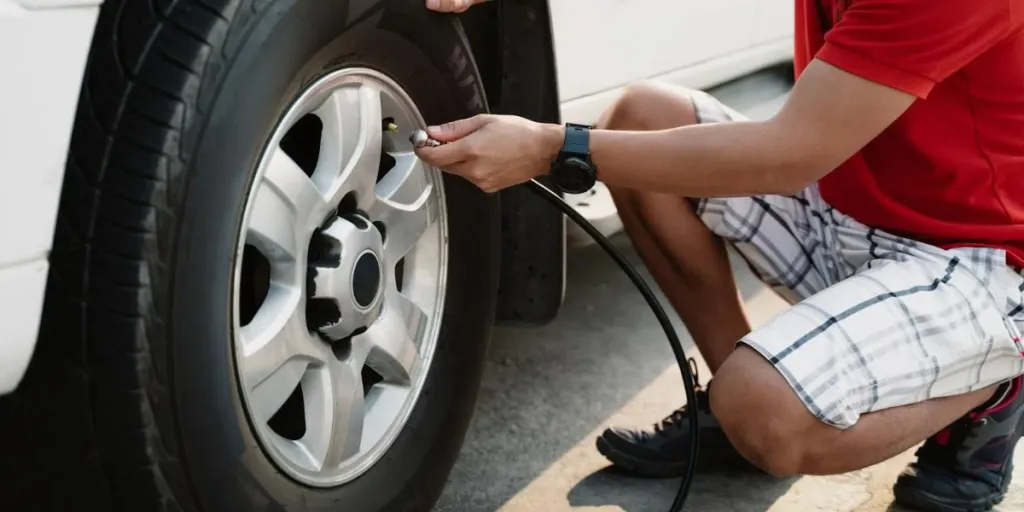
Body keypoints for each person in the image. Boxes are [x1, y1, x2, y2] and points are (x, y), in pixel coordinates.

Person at [422, 0, 1024, 510]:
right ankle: (731, 413)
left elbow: (789, 152)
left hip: (979, 256)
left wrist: (553, 149)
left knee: (765, 408)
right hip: (850, 210)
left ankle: (994, 386)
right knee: (640, 119)